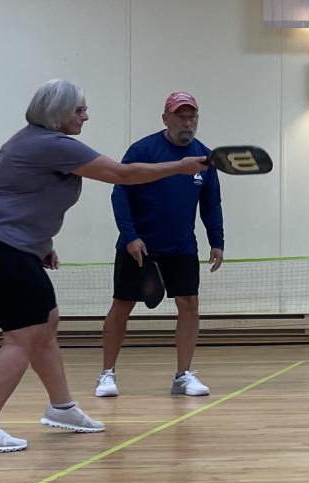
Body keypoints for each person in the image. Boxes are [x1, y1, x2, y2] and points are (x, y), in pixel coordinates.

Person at [0, 79, 207, 454]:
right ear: (57, 112)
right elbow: (123, 175)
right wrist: (181, 167)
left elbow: (21, 196)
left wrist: (40, 245)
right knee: (23, 335)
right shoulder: (51, 144)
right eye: (80, 110)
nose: (86, 116)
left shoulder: (30, 141)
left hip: (7, 246)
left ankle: (63, 408)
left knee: (47, 323)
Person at [95, 91, 223, 399]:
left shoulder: (205, 157)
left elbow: (211, 203)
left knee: (189, 305)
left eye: (192, 115)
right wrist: (130, 237)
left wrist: (216, 241)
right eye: (180, 115)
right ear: (165, 118)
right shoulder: (143, 150)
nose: (187, 121)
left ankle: (183, 376)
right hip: (139, 247)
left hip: (182, 247)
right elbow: (120, 193)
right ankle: (107, 375)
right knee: (122, 307)